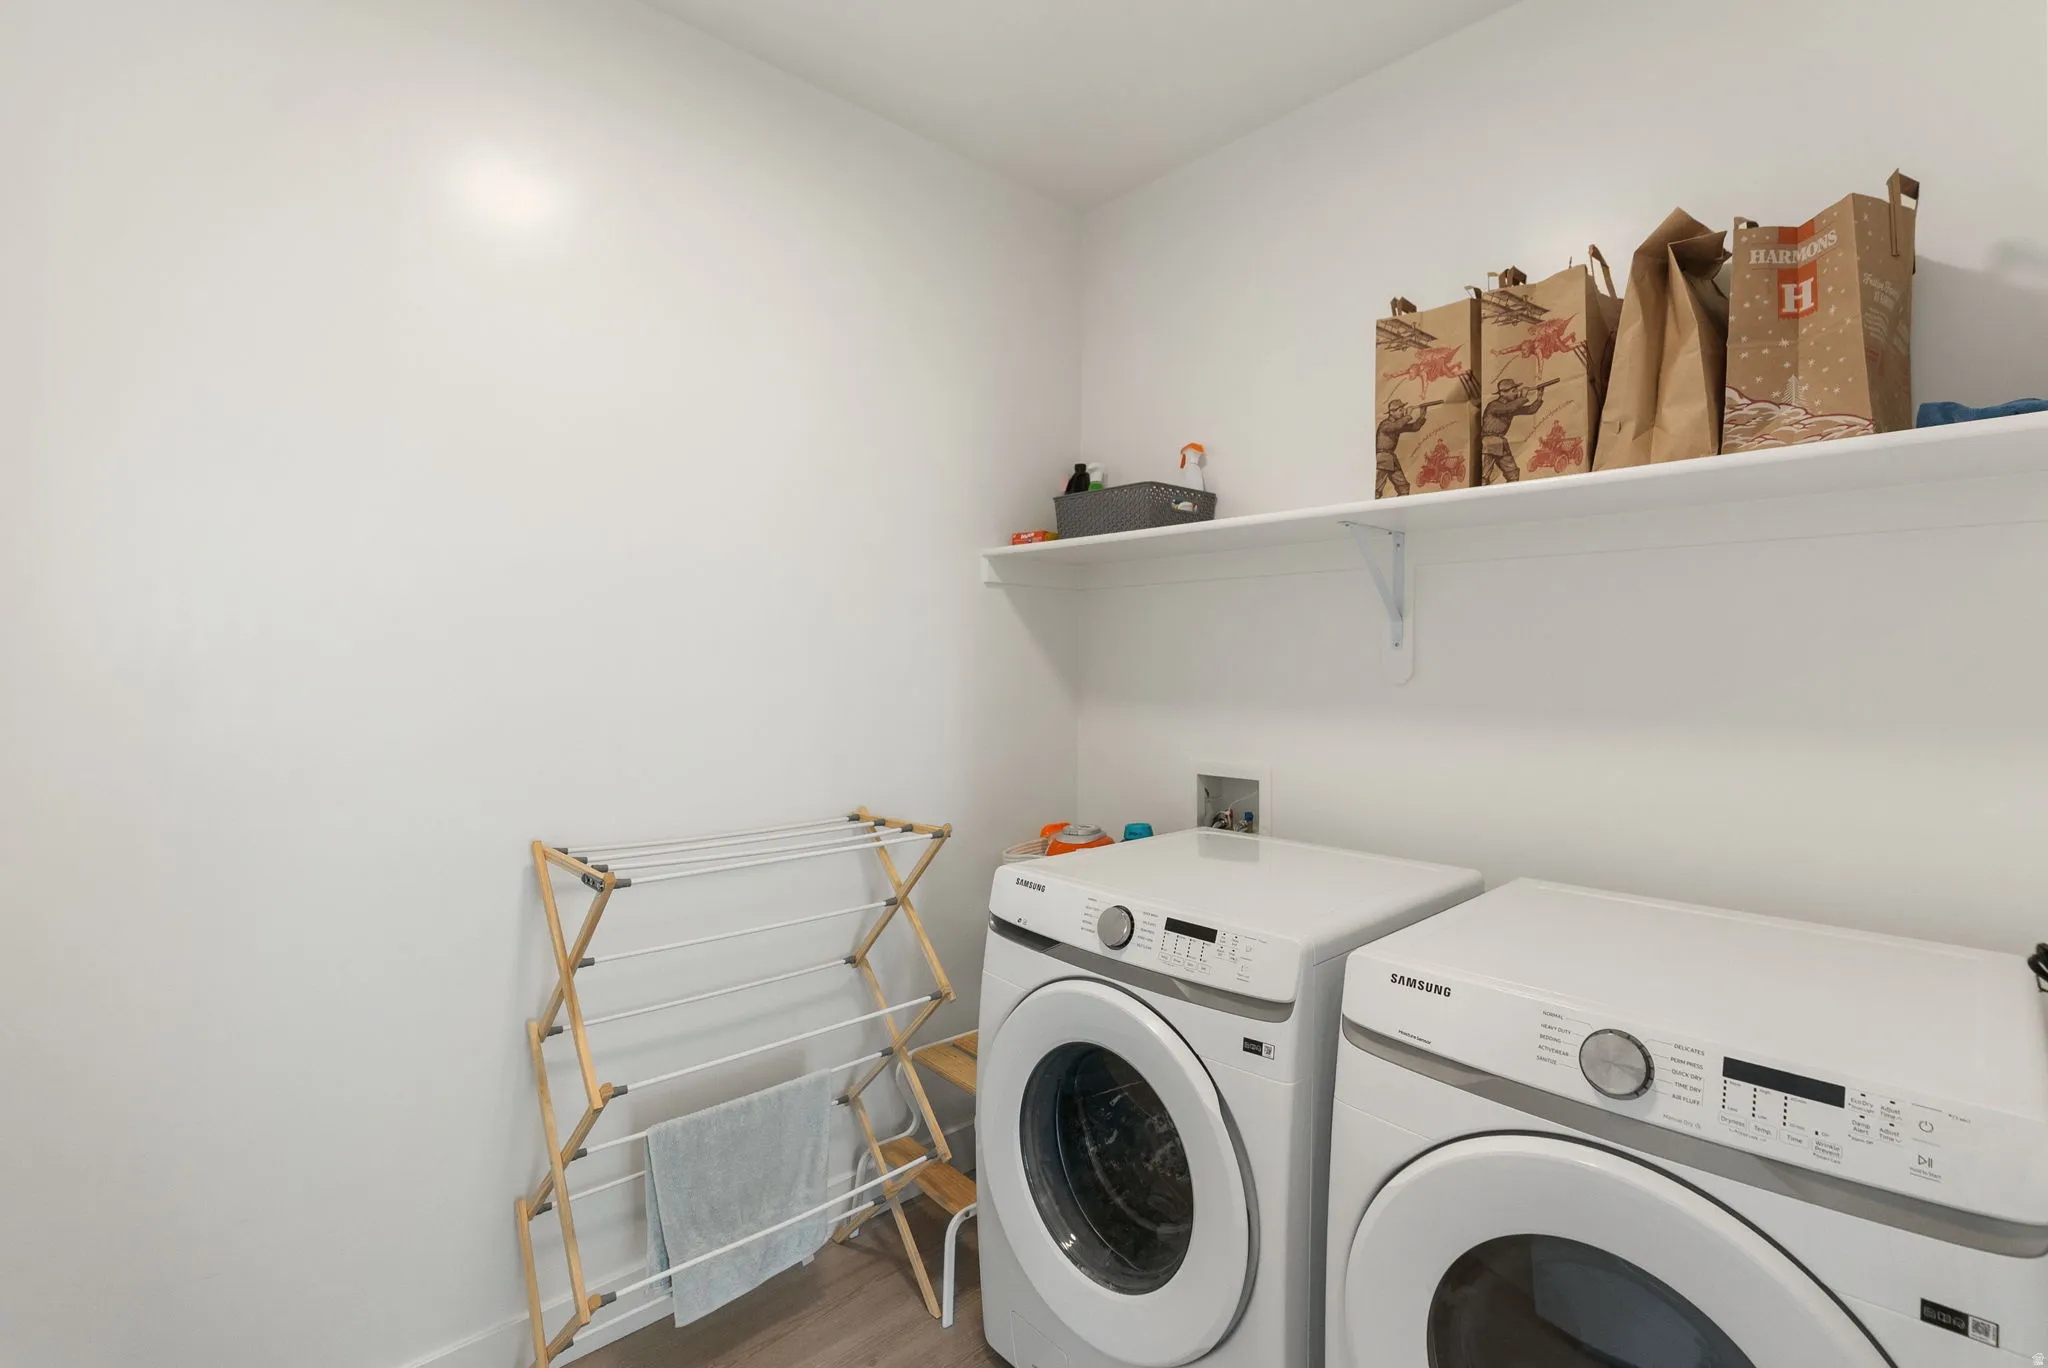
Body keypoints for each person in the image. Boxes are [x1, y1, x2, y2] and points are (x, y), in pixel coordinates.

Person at [1478, 377, 1555, 484]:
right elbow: (1508, 408)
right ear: (1503, 393)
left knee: (1513, 474)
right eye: (1513, 391)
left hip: (1501, 443)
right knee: (1484, 476)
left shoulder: (1511, 406)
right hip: (1489, 443)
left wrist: (1539, 398)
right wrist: (1523, 397)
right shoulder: (1494, 405)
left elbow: (1530, 410)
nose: (1516, 393)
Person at [1374, 397, 1437, 498]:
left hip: (1391, 459)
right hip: (1383, 458)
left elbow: (1414, 427)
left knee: (1404, 487)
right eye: (1400, 410)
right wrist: (1408, 415)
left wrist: (1422, 415)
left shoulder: (1397, 424)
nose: (1403, 412)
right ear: (1392, 412)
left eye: (1403, 410)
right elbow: (1397, 426)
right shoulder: (1386, 424)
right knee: (1376, 490)